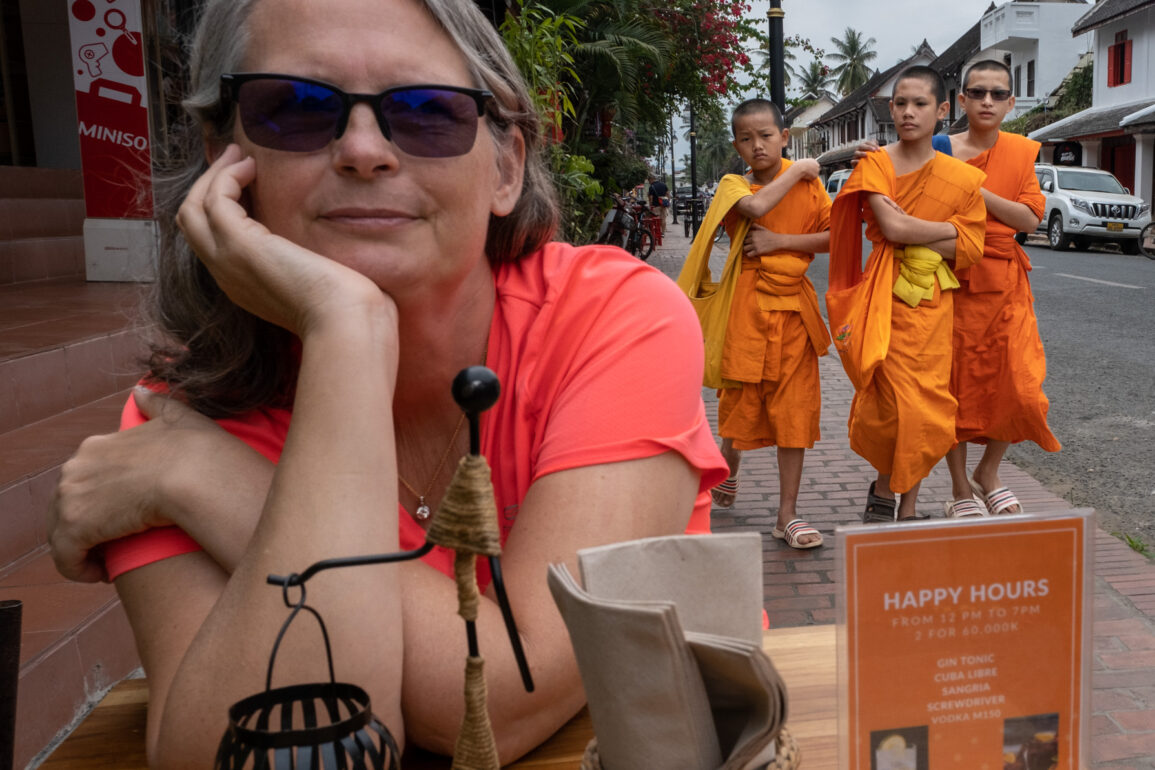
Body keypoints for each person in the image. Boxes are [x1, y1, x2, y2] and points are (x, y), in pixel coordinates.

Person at [45, 0, 727, 765]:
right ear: (222, 159)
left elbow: (507, 702)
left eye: (426, 112)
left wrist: (213, 484)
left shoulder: (610, 318)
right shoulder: (183, 410)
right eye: (297, 107)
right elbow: (252, 754)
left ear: (504, 166)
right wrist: (349, 335)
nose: (363, 151)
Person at [826, 66, 986, 522]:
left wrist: (928, 234)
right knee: (886, 405)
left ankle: (908, 505)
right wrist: (946, 231)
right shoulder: (876, 162)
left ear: (941, 111)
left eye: (919, 104)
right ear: (890, 109)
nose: (908, 112)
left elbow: (971, 247)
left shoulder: (962, 176)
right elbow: (891, 227)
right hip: (883, 295)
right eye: (900, 103)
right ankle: (882, 483)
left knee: (922, 406)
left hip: (933, 303)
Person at [678, 98, 829, 549]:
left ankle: (787, 515)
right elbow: (759, 207)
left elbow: (835, 237)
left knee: (795, 410)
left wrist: (782, 241)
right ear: (736, 146)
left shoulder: (812, 189)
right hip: (746, 310)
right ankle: (730, 457)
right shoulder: (730, 185)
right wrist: (798, 170)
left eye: (766, 136)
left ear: (785, 137)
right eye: (746, 139)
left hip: (795, 312)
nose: (757, 146)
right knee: (741, 401)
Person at [939, 59, 1061, 517]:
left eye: (997, 94)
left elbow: (1028, 219)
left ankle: (988, 471)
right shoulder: (940, 149)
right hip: (951, 278)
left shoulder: (1020, 151)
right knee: (952, 388)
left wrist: (973, 186)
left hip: (1006, 282)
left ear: (1011, 103)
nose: (987, 101)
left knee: (1019, 384)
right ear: (962, 100)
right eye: (978, 92)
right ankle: (959, 490)